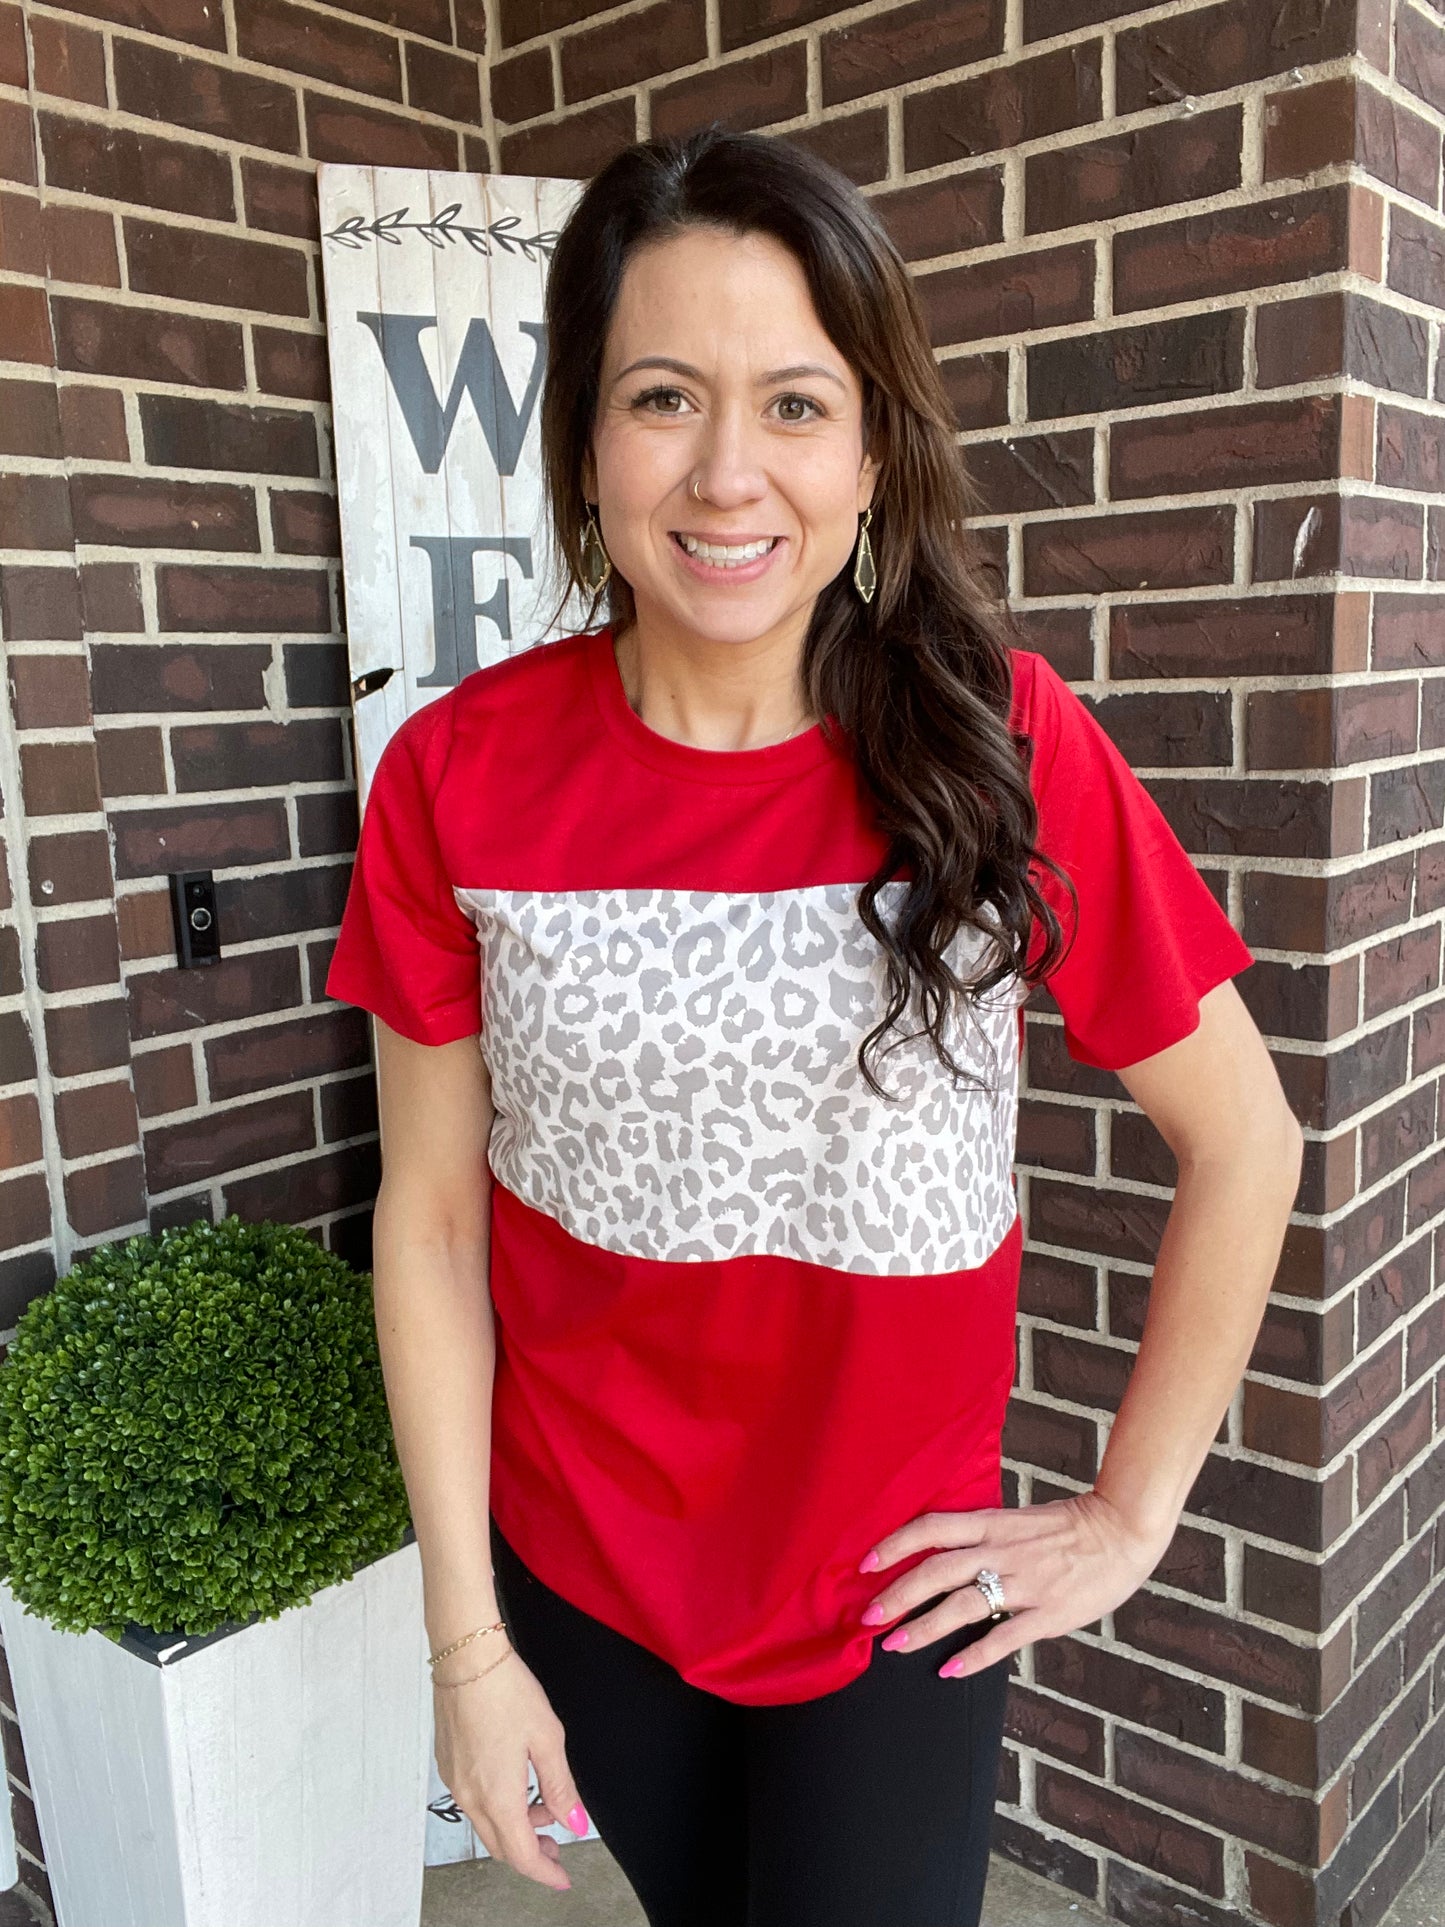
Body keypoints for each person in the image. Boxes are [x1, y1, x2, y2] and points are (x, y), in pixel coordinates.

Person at [324, 126, 1303, 1927]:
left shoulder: (1004, 751)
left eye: (792, 404)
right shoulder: (456, 775)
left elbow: (1244, 1141)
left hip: (892, 1601)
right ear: (587, 444)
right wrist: (466, 1643)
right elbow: (434, 1218)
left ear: (867, 455)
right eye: (661, 397)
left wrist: (1129, 1515)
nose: (723, 473)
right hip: (585, 1573)